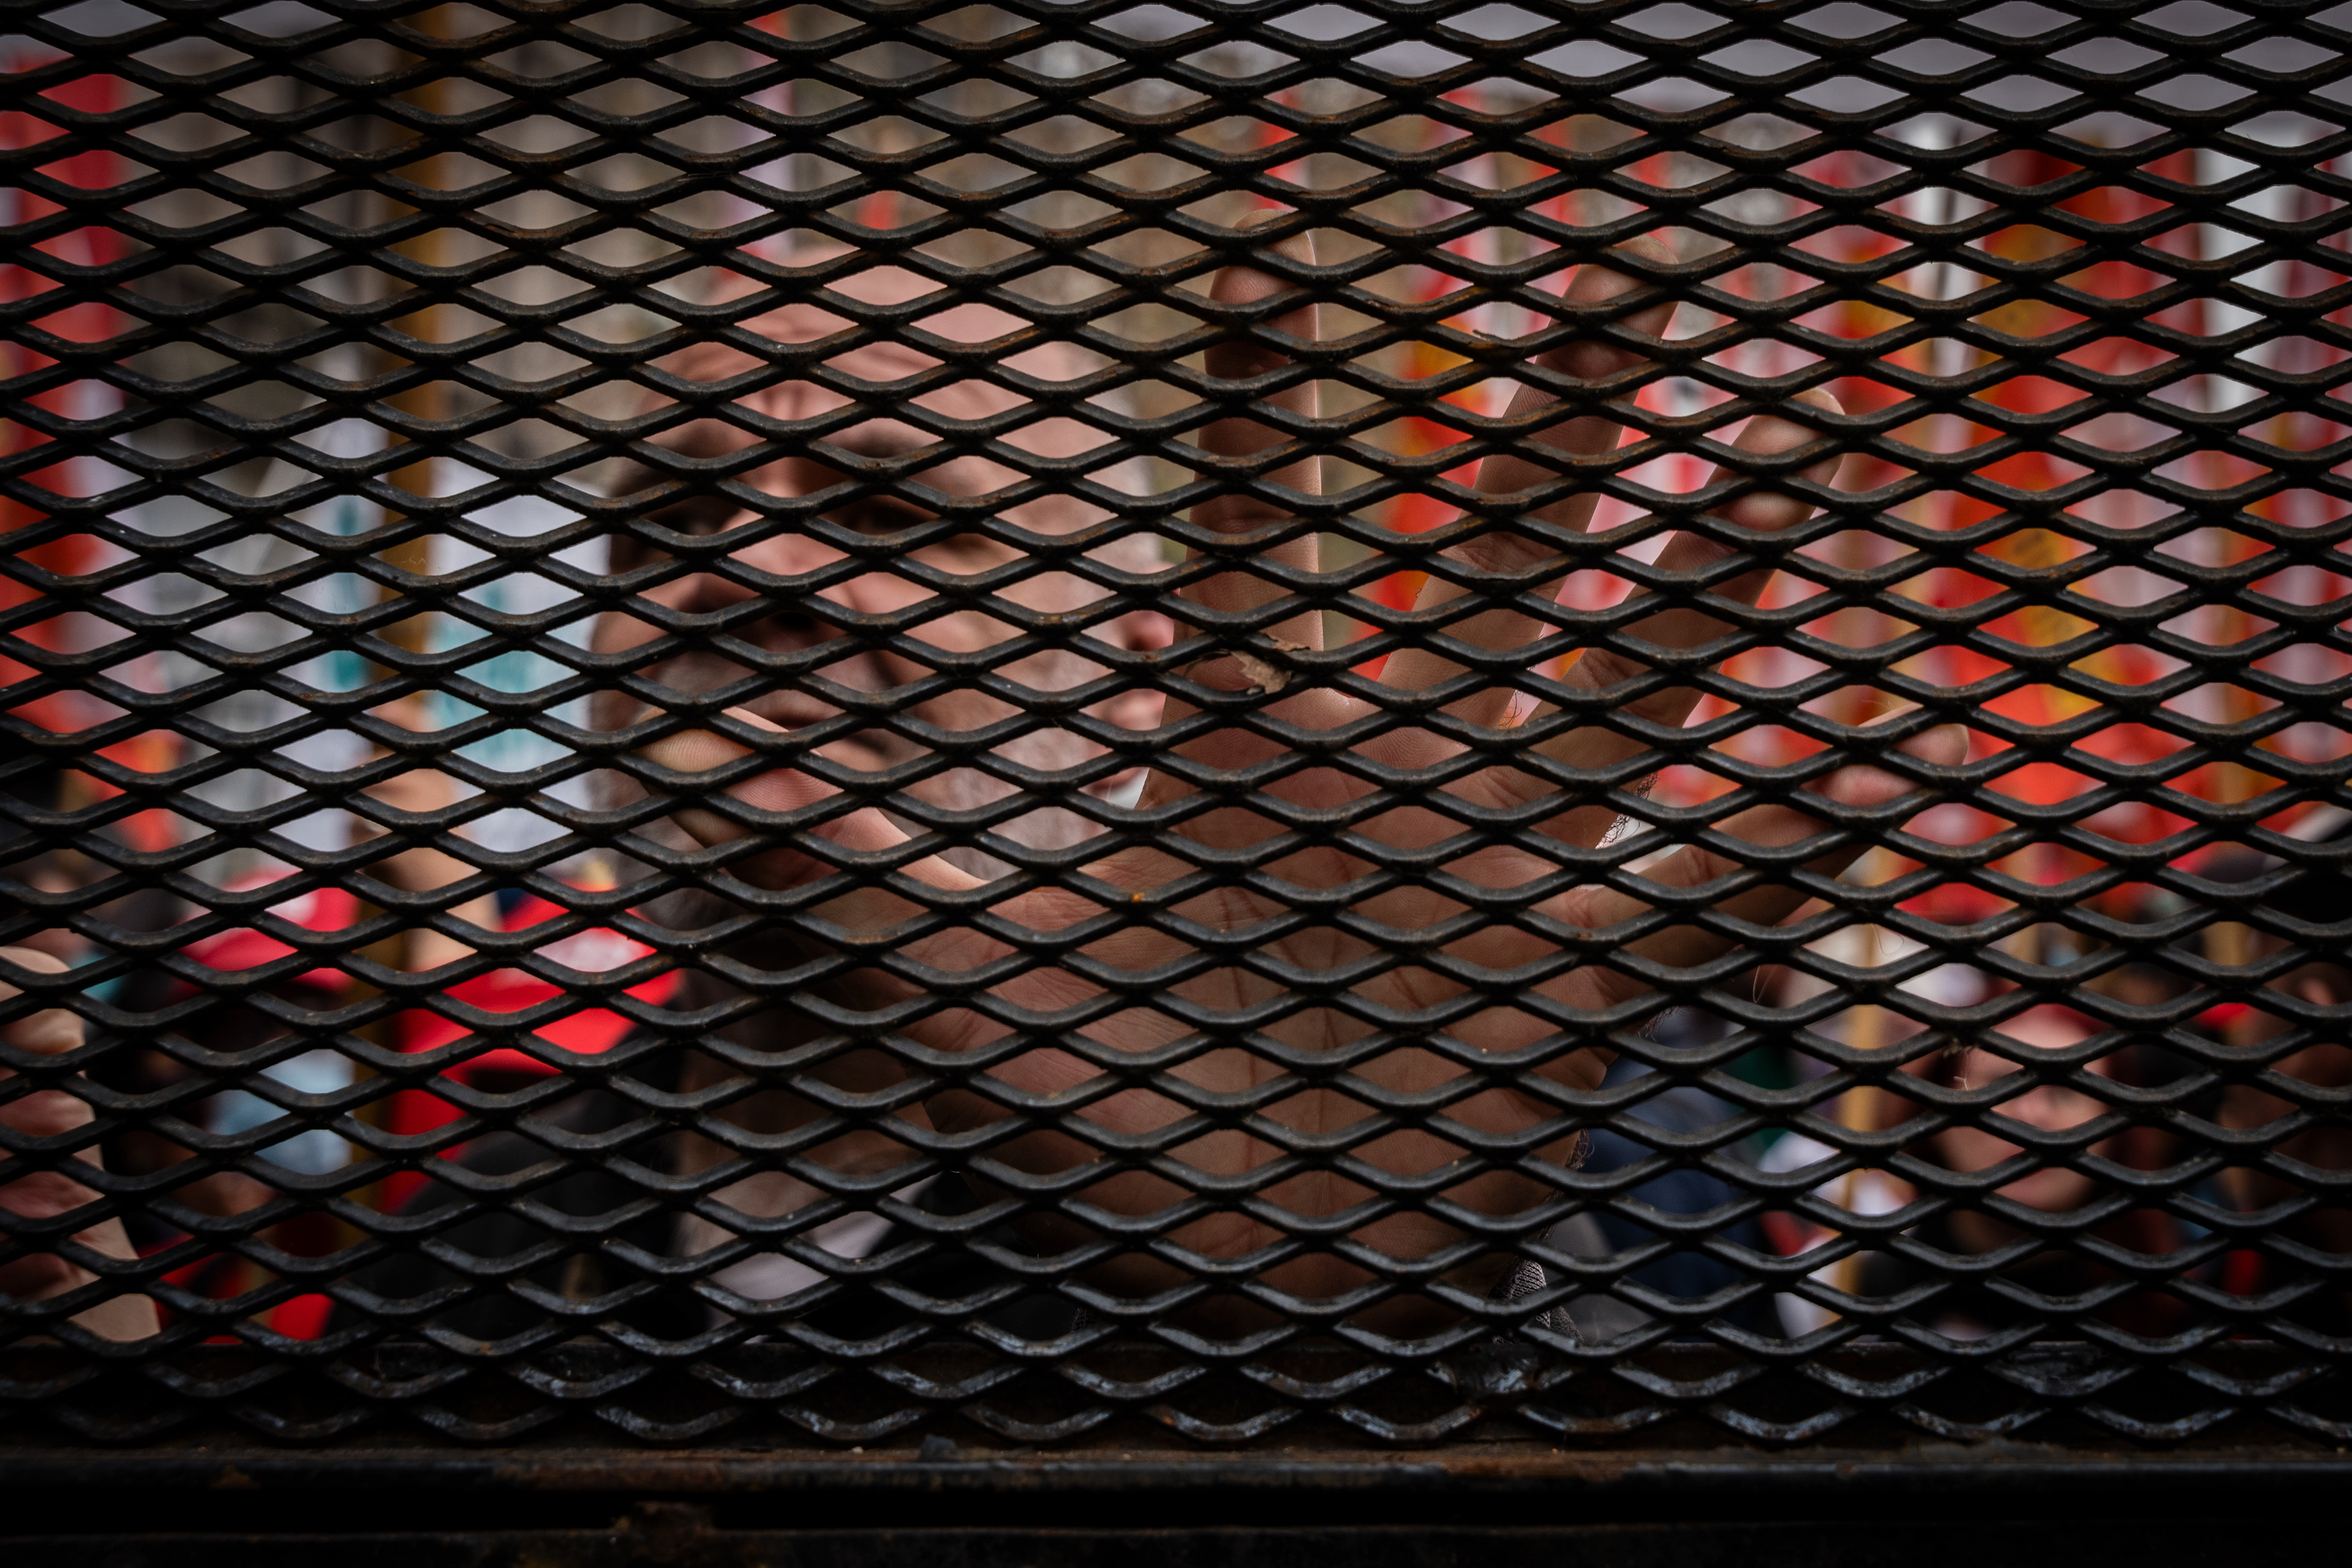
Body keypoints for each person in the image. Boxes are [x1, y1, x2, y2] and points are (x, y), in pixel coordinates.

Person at [524, 224, 1970, 1346]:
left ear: (1141, 674)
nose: (740, 573)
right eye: (671, 519)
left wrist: (1370, 1340)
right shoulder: (487, 1203)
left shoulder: (1633, 1185)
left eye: (895, 511)